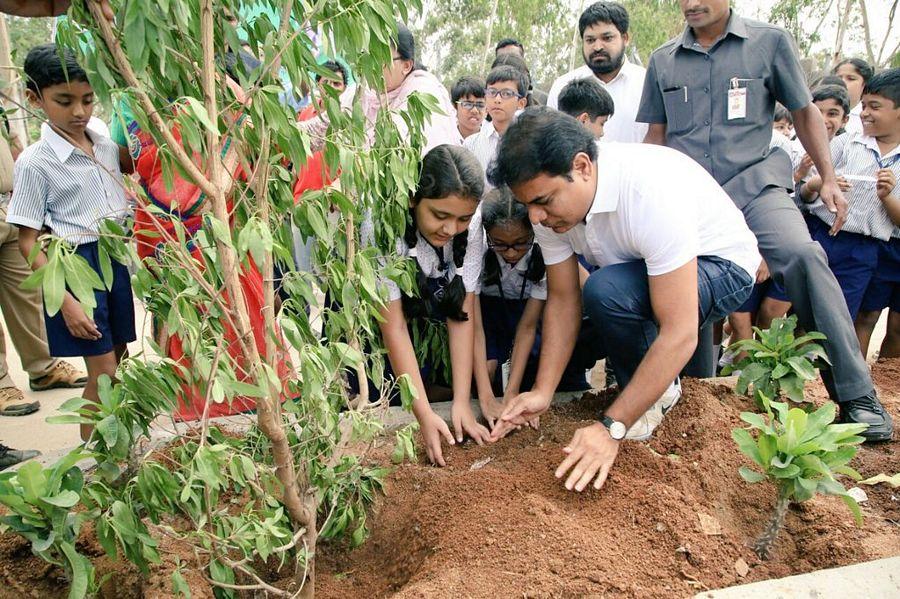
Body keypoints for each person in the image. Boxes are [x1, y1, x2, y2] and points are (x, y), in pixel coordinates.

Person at [638, 0, 892, 441]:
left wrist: (827, 176)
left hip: (756, 186)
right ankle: (695, 396)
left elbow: (803, 111)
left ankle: (855, 395)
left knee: (803, 255)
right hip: (690, 196)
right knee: (687, 279)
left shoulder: (769, 43)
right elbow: (656, 137)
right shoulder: (663, 60)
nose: (691, 4)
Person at [489, 108, 759, 492]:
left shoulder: (646, 191)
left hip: (722, 266)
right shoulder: (549, 211)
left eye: (544, 201)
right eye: (528, 204)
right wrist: (544, 391)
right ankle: (656, 392)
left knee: (606, 291)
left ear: (582, 166)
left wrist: (610, 426)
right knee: (604, 290)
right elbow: (564, 300)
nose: (535, 217)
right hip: (646, 273)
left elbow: (680, 331)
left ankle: (649, 402)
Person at [8, 44, 136, 442]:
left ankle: (114, 446)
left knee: (118, 358)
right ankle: (100, 456)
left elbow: (132, 163)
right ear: (35, 98)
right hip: (76, 268)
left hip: (112, 258)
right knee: (103, 374)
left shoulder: (100, 141)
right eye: (64, 101)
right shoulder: (35, 162)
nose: (79, 112)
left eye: (87, 100)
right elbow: (27, 241)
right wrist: (65, 301)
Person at [370, 145, 490, 466]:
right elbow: (393, 326)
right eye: (440, 216)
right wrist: (423, 414)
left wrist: (462, 402)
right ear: (413, 199)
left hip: (428, 302)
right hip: (371, 318)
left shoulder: (472, 227)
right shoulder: (382, 226)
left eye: (463, 218)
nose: (451, 229)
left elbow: (461, 313)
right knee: (375, 392)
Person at [0, 107, 86, 419]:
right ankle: (1, 383)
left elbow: (9, 141)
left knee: (28, 293)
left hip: (8, 208)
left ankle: (43, 367)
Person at [303, 22, 459, 155]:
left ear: (406, 66)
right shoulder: (361, 93)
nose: (371, 67)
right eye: (367, 58)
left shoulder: (422, 93)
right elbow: (322, 129)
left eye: (380, 61)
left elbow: (391, 153)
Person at [473, 186, 547, 426]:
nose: (512, 253)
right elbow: (475, 325)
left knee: (532, 359)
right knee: (487, 366)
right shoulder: (477, 252)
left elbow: (527, 327)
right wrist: (486, 394)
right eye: (500, 245)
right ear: (487, 234)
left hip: (528, 317)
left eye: (520, 243)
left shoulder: (544, 252)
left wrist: (512, 393)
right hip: (489, 315)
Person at [840, 70, 900, 359]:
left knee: (898, 324)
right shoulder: (851, 144)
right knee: (865, 315)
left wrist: (888, 197)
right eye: (863, 106)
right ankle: (859, 383)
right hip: (871, 247)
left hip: (895, 241)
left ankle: (888, 382)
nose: (865, 113)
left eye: (875, 107)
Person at [547, 2, 648, 144]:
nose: (598, 47)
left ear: (625, 38)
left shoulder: (646, 83)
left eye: (607, 38)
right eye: (590, 40)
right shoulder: (562, 86)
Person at [464, 65, 527, 184]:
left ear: (521, 103)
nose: (497, 99)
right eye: (492, 92)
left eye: (507, 94)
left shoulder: (530, 141)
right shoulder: (471, 144)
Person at [833, 58, 875, 136]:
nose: (842, 82)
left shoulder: (867, 116)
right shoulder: (819, 109)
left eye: (851, 79)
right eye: (839, 78)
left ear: (864, 84)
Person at [450, 76, 486, 142]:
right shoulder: (446, 139)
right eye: (468, 104)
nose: (475, 110)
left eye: (480, 105)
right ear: (455, 106)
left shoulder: (494, 142)